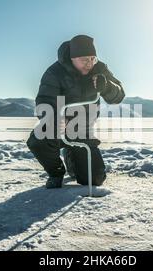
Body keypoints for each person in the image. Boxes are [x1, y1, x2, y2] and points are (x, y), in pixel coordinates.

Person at [26, 34, 125, 189]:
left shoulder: (99, 69)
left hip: (82, 130)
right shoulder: (55, 72)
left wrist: (107, 87)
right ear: (73, 58)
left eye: (93, 58)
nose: (90, 64)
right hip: (59, 127)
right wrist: (54, 117)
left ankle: (72, 156)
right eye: (85, 59)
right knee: (38, 140)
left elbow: (118, 96)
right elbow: (44, 101)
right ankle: (56, 172)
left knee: (94, 179)